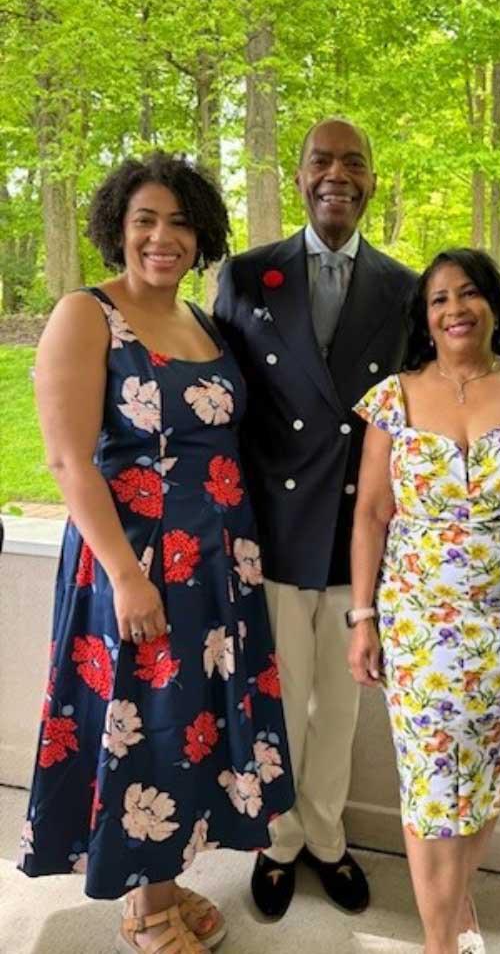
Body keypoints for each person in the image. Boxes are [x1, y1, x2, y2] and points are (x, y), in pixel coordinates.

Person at [18, 153, 294, 954]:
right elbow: (70, 461)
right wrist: (128, 577)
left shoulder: (202, 321)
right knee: (146, 723)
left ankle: (168, 881)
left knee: (192, 726)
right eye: (145, 219)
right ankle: (144, 907)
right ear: (117, 229)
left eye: (179, 221)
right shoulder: (87, 313)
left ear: (202, 233)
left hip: (217, 569)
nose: (162, 236)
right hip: (135, 563)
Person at [213, 117, 417, 919]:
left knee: (340, 704)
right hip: (269, 533)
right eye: (321, 160)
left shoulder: (405, 288)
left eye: (354, 162)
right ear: (299, 176)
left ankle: (327, 838)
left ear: (372, 180)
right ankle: (279, 840)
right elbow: (221, 404)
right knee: (281, 698)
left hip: (356, 536)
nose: (338, 173)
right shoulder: (246, 274)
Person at [349, 249, 500, 954]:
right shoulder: (394, 397)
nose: (455, 309)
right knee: (430, 791)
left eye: (469, 293)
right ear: (424, 319)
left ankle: (456, 904)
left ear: (494, 303)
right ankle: (438, 942)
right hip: (418, 622)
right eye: (438, 299)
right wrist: (361, 617)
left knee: (485, 777)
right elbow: (369, 512)